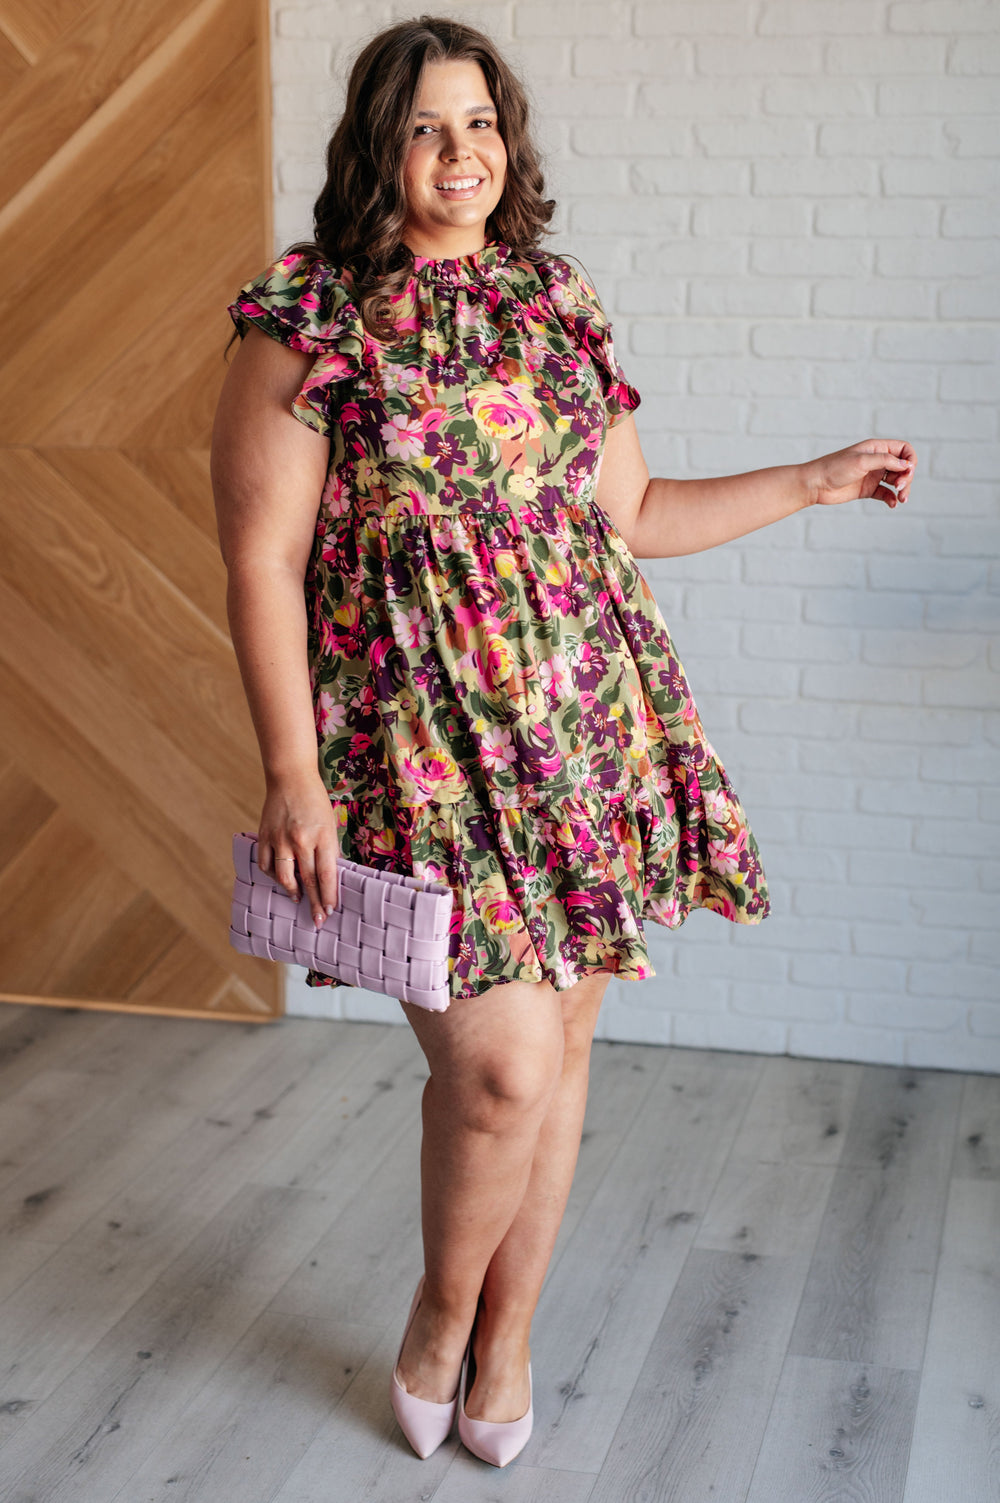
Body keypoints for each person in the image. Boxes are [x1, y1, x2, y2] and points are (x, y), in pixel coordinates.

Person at [211, 13, 915, 1469]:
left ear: (508, 142)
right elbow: (262, 560)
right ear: (375, 149)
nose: (460, 153)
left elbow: (634, 517)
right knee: (500, 1070)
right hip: (413, 747)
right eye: (425, 128)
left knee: (570, 1040)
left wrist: (816, 478)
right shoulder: (309, 315)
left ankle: (511, 1336)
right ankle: (437, 1318)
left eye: (480, 124)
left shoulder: (554, 300)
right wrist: (292, 769)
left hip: (586, 726)